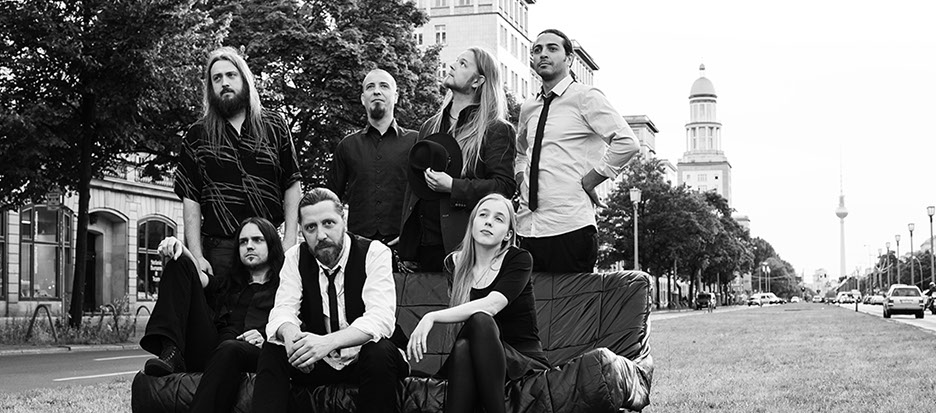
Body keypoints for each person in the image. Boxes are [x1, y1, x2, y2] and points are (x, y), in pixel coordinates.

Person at [252, 188, 408, 413]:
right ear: (302, 231)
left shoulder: (374, 252)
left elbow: (380, 319)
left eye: (328, 223)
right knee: (274, 348)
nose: (321, 235)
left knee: (378, 351)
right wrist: (294, 341)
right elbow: (283, 310)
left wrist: (327, 343)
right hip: (320, 362)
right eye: (311, 227)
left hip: (366, 359)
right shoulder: (295, 257)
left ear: (343, 221)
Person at [406, 193, 548, 413]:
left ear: (508, 234)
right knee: (464, 346)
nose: (489, 221)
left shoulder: (518, 258)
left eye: (498, 219)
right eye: (483, 215)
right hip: (474, 352)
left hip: (520, 358)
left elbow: (491, 305)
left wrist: (431, 317)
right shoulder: (455, 264)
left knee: (481, 319)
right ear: (472, 223)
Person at [515, 29, 639, 272]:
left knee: (572, 298)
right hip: (526, 227)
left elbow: (627, 142)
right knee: (528, 298)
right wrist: (520, 178)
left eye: (552, 48)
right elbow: (520, 151)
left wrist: (591, 180)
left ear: (569, 59)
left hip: (569, 227)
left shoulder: (586, 97)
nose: (543, 54)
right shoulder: (529, 107)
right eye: (537, 50)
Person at [174, 46, 302, 282]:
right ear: (210, 87)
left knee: (273, 305)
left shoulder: (275, 126)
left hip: (267, 244)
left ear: (244, 79)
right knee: (221, 307)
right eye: (217, 78)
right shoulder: (197, 134)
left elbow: (292, 185)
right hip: (219, 250)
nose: (224, 83)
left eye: (231, 75)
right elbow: (191, 199)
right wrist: (197, 255)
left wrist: (290, 240)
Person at [140, 217, 284, 413]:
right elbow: (197, 276)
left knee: (231, 348)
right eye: (243, 242)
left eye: (257, 240)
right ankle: (171, 351)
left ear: (272, 244)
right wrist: (180, 247)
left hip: (258, 352)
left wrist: (268, 339)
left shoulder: (284, 287)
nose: (249, 246)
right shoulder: (229, 283)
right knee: (179, 263)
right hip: (214, 351)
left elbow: (296, 325)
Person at [399, 47, 516, 272]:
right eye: (456, 61)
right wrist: (407, 244)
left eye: (463, 64)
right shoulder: (429, 126)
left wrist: (453, 186)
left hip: (466, 247)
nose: (452, 66)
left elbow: (503, 187)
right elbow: (412, 189)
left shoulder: (496, 129)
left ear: (478, 81)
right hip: (422, 249)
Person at [328, 69, 417, 248]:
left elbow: (426, 196)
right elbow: (331, 200)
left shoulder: (416, 141)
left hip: (406, 246)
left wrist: (412, 233)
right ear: (363, 98)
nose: (377, 91)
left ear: (396, 96)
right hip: (359, 246)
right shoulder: (347, 146)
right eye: (370, 87)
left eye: (384, 86)